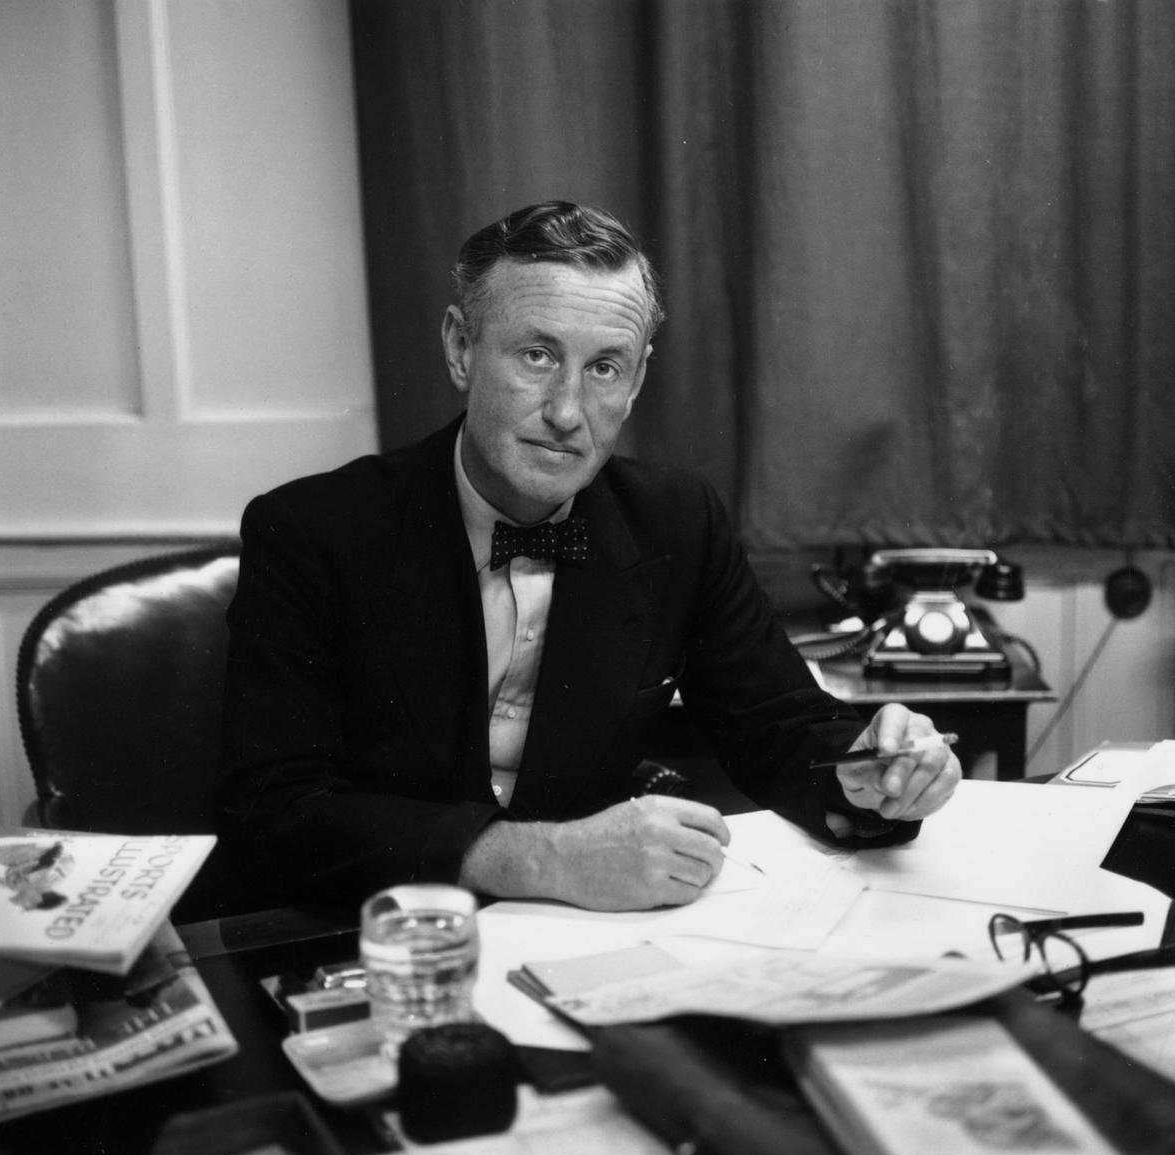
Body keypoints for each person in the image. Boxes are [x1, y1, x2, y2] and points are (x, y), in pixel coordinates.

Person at [216, 200, 960, 913]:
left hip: (578, 936)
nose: (568, 411)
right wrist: (540, 858)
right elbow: (277, 813)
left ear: (636, 381)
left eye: (605, 367)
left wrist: (870, 770)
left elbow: (777, 724)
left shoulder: (676, 521)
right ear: (460, 349)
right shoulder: (312, 531)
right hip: (370, 935)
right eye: (537, 355)